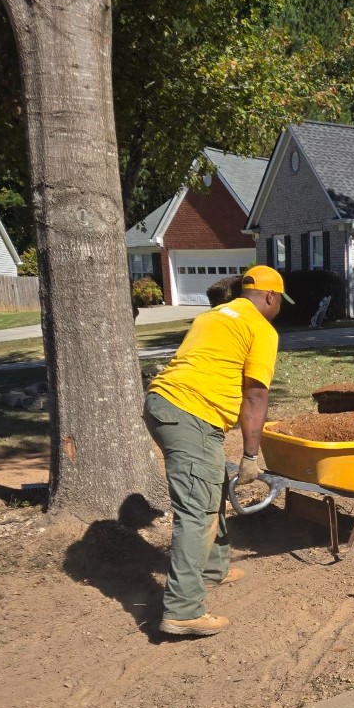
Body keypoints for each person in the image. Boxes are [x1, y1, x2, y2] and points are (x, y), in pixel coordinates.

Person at [144, 265, 293, 637]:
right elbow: (256, 394)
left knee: (208, 490)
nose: (278, 308)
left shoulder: (213, 315)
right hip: (190, 412)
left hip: (164, 404)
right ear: (270, 297)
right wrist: (250, 455)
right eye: (279, 302)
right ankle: (182, 610)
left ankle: (214, 569)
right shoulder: (260, 327)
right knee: (196, 512)